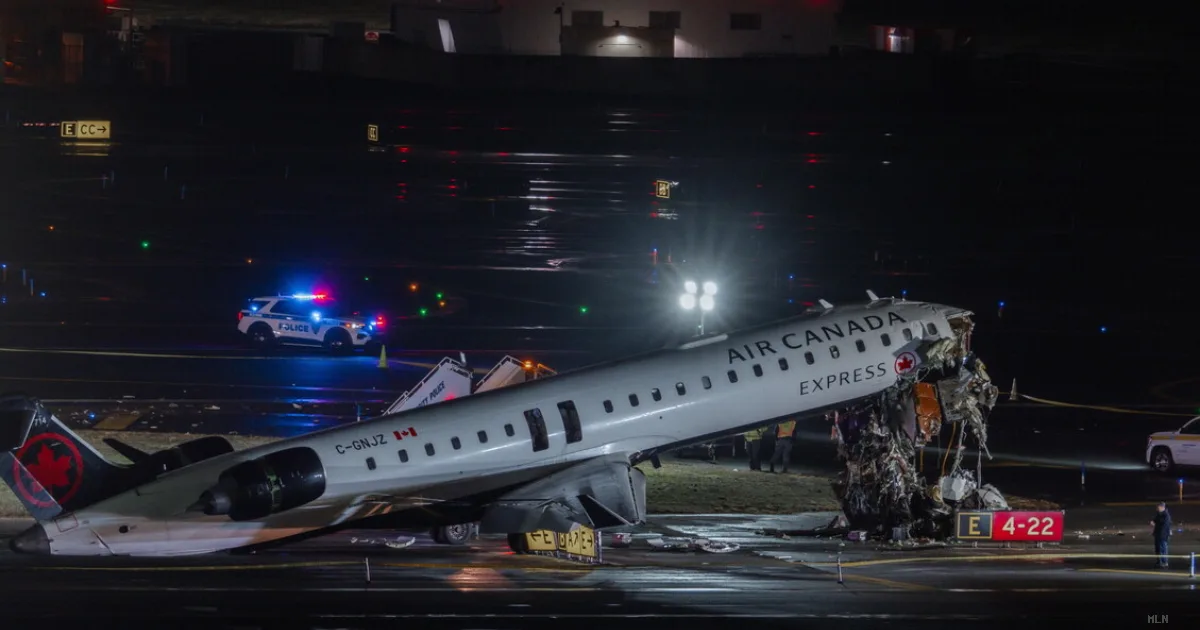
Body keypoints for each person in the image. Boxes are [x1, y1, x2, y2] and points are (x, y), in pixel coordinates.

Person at [1151, 502, 1172, 568]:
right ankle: (1159, 562)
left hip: (1163, 535)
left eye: (1158, 507)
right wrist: (1153, 522)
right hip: (1158, 535)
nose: (1157, 508)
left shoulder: (1166, 516)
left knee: (1163, 549)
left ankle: (1164, 562)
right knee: (1158, 549)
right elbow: (1155, 520)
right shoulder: (1159, 514)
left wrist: (1156, 524)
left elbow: (1164, 527)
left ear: (1162, 507)